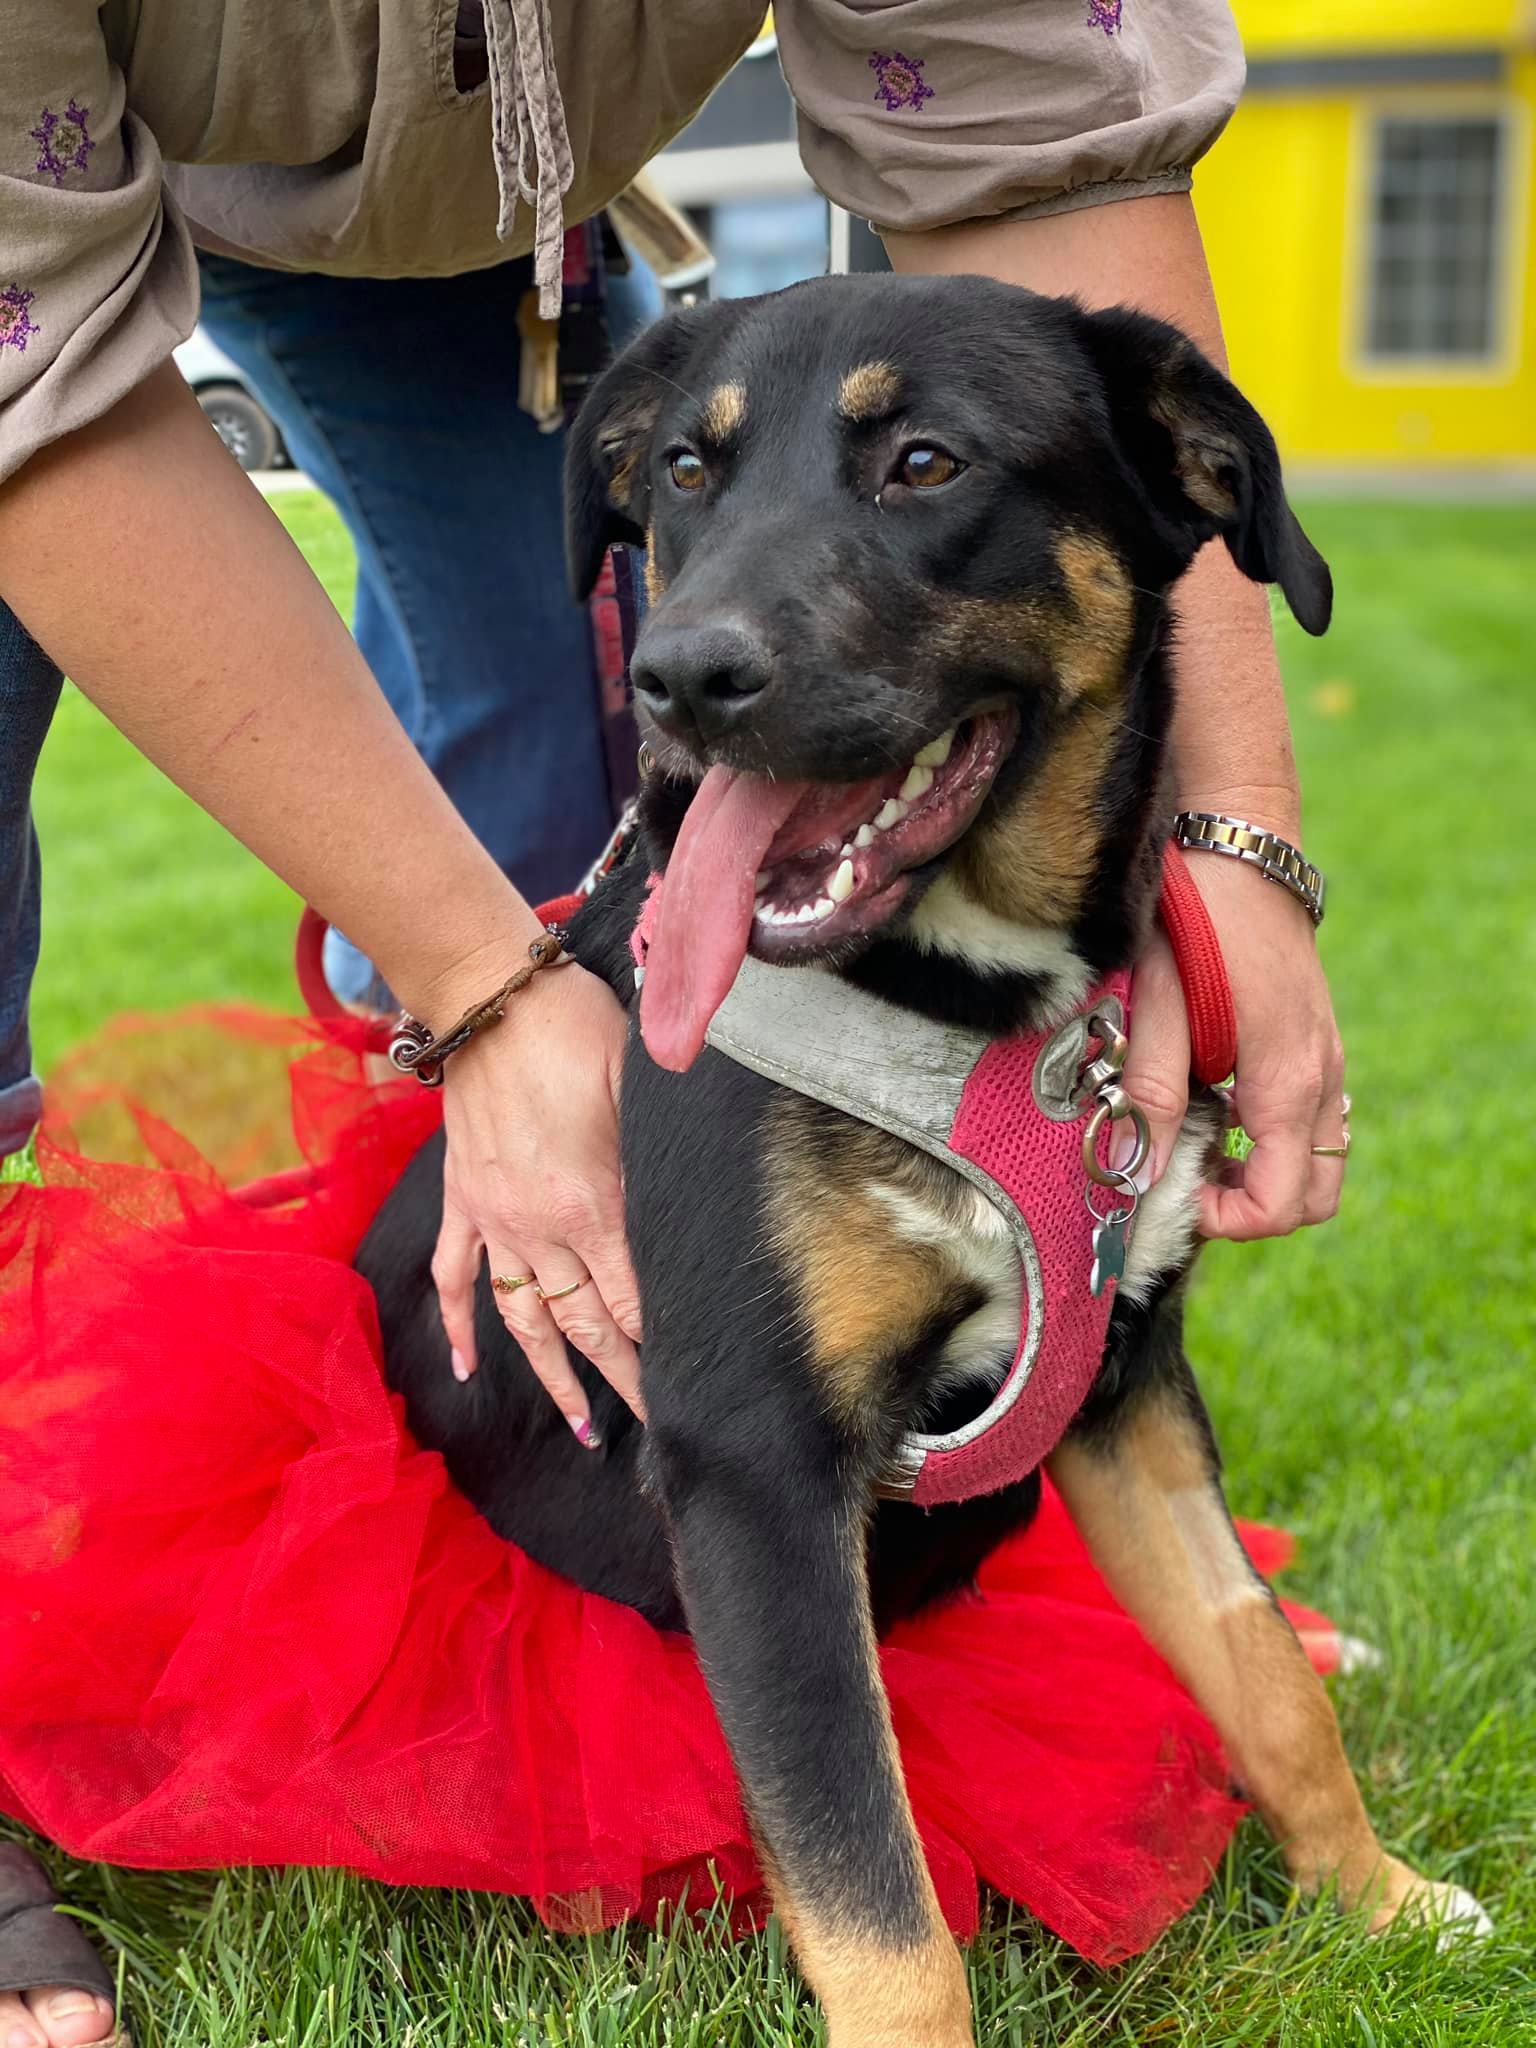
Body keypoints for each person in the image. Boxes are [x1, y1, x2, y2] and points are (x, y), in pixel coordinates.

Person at [0, 4, 1348, 2042]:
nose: (704, 630)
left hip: (481, 229)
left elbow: (1048, 141)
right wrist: (479, 986)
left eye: (914, 468)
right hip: (41, 220)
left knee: (561, 745)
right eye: (685, 507)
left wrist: (1237, 838)